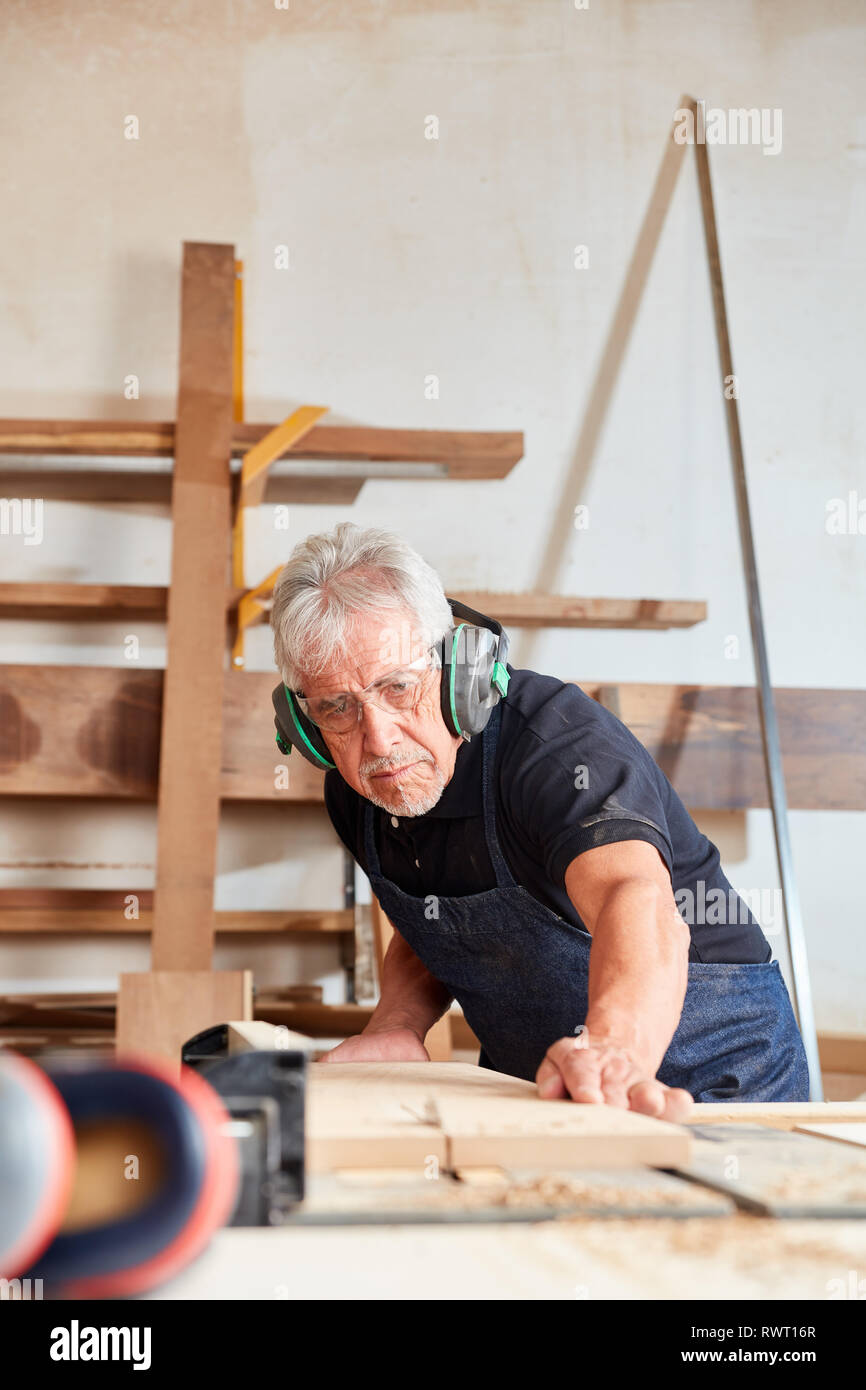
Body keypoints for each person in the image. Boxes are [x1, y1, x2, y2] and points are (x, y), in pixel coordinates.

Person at [270, 522, 810, 1115]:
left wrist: (612, 1049)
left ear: (459, 673)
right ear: (305, 726)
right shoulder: (360, 792)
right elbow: (436, 919)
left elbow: (635, 899)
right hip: (543, 1089)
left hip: (710, 1074)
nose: (377, 739)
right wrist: (395, 1025)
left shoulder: (555, 747)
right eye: (336, 708)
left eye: (398, 688)